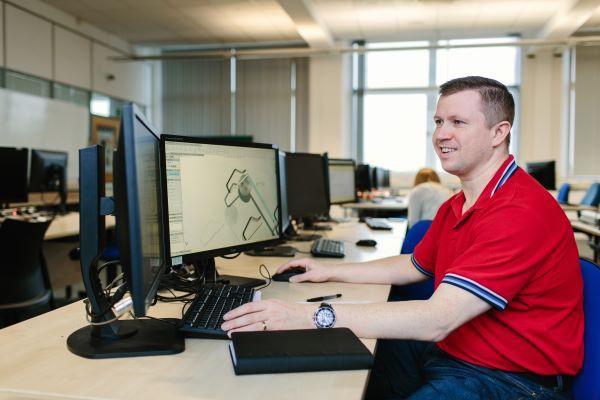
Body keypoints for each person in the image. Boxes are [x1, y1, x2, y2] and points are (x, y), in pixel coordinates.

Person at [222, 76, 583, 399]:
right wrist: (330, 272)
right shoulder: (460, 202)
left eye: (458, 122)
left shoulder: (518, 211)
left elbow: (435, 319)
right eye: (439, 121)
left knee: (317, 337)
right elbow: (414, 265)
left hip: (511, 380)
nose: (442, 134)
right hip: (453, 351)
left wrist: (308, 315)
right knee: (312, 370)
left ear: (498, 132)